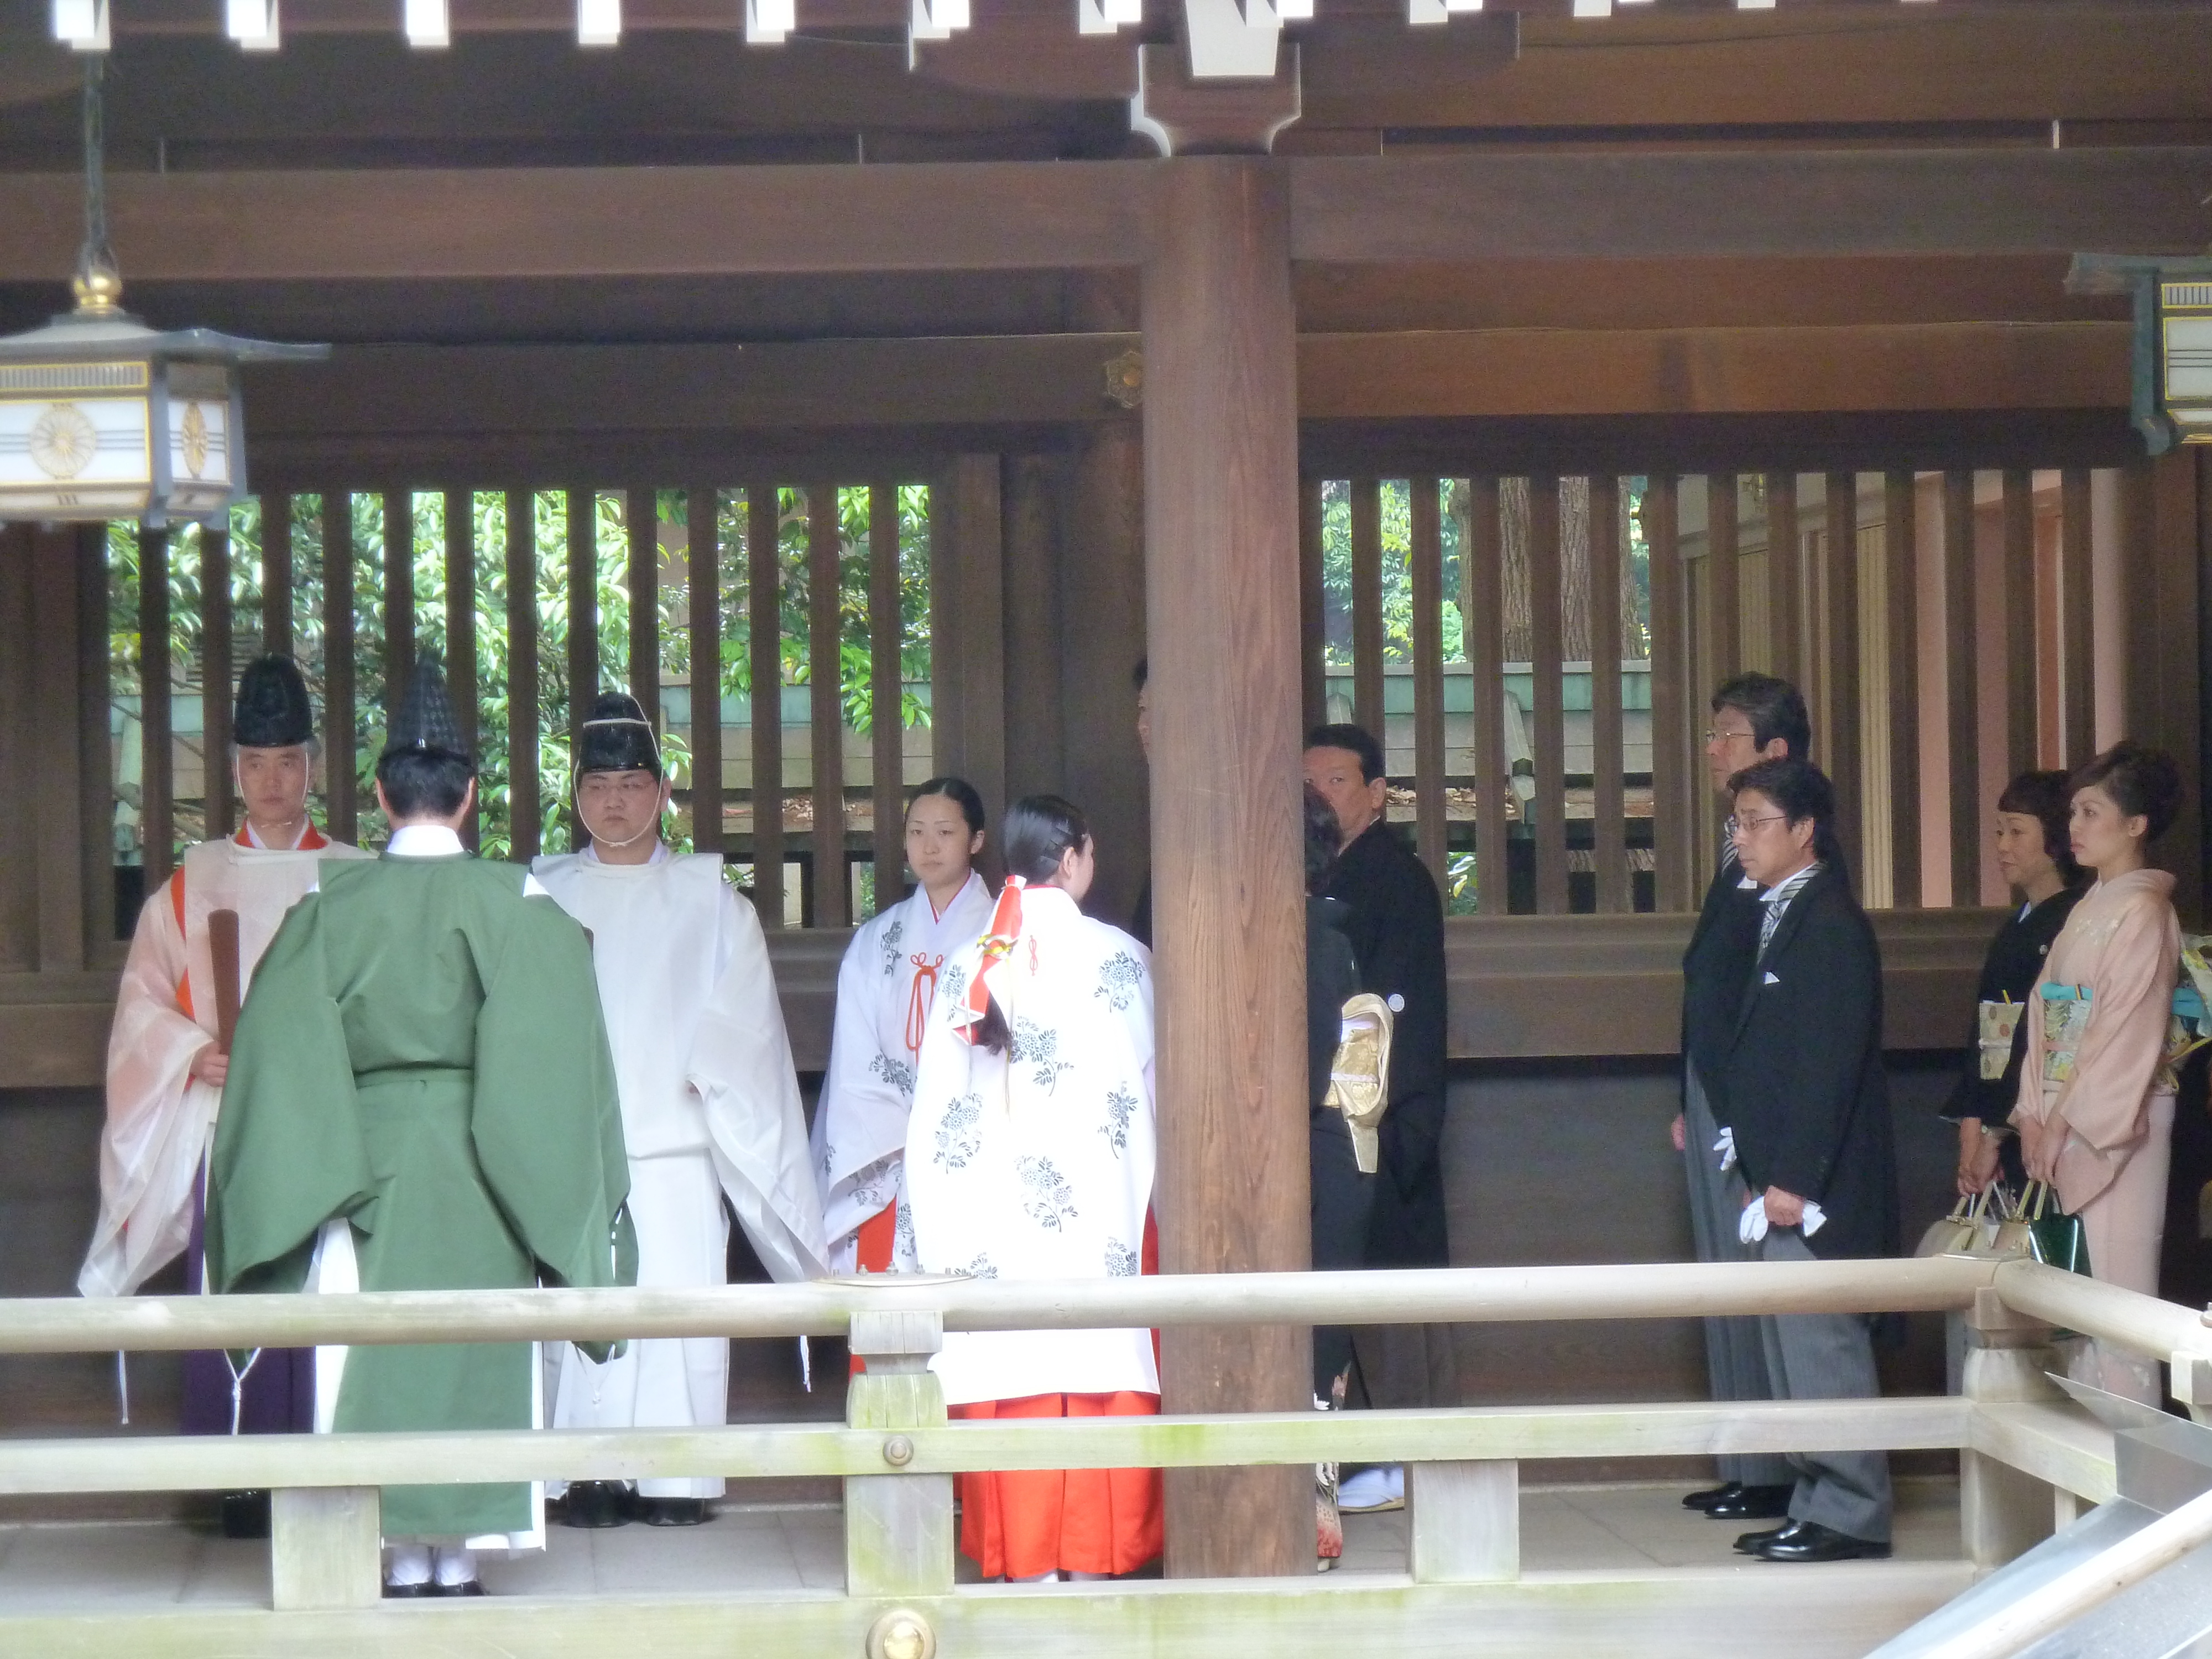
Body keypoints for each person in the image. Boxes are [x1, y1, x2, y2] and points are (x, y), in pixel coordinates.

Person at [206, 660, 636, 1598]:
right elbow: (556, 1059)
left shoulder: (330, 907)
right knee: (476, 1345)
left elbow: (281, 1058)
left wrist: (321, 1163)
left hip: (364, 1165)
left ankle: (395, 1551)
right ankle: (457, 1552)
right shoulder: (518, 906)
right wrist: (542, 1176)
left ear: (377, 793)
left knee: (372, 1349)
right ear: (473, 796)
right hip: (489, 1170)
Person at [80, 654, 369, 1537]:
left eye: (289, 761)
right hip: (223, 1117)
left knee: (318, 1287)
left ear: (315, 766)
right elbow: (141, 1001)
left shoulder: (355, 875)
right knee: (233, 1282)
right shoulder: (191, 879)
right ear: (235, 769)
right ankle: (232, 1479)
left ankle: (321, 1465)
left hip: (322, 1121)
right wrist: (192, 1049)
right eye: (255, 762)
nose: (272, 780)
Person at [534, 692, 828, 1528]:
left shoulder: (714, 902)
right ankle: (580, 1476)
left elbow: (745, 1039)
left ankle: (677, 1478)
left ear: (664, 793)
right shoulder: (537, 896)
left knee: (676, 1311)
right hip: (573, 1159)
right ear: (577, 795)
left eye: (632, 783)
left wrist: (707, 1074)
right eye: (597, 785)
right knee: (578, 1315)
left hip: (675, 1148)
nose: (615, 801)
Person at [903, 795, 1161, 1582]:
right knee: (1099, 1357)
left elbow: (936, 1118)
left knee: (1007, 1368)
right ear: (1077, 855)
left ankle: (1028, 1564)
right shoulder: (1120, 957)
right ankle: (1098, 1560)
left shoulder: (971, 962)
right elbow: (1153, 1094)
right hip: (1098, 1215)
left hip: (997, 1223)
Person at [1716, 757, 1898, 1564]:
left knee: (1822, 1342)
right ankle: (1814, 1500)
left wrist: (1792, 1176)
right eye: (1737, 823)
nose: (1742, 838)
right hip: (1775, 1173)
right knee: (1792, 1347)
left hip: (1812, 1184)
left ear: (1804, 831)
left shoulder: (1829, 919)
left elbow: (1829, 1062)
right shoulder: (1779, 911)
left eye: (1757, 822)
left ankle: (1852, 1510)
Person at [2013, 742, 2185, 1405]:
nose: (2075, 828)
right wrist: (2032, 1112)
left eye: (2090, 812)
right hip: (2064, 1113)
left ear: (2136, 825)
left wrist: (2057, 1119)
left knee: (2116, 1293)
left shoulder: (2144, 910)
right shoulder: (2089, 906)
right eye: (2074, 813)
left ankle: (2132, 1474)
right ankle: (2090, 1467)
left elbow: (2124, 1035)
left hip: (2110, 1119)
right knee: (2081, 1301)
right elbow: (2041, 1019)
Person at [1303, 722, 1447, 1516]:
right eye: (1309, 781)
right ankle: (1359, 1455)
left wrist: (1392, 1115)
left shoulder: (1395, 877)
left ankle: (1394, 1456)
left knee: (1383, 1282)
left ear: (1376, 791)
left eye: (1335, 780)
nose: (1319, 794)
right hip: (1334, 1115)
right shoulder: (1323, 879)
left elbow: (1390, 1012)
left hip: (1379, 1105)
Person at [1673, 673, 1806, 1524]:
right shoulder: (1739, 852)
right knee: (1725, 1275)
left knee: (1763, 1273)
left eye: (1730, 735)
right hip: (1714, 1079)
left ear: (1776, 752)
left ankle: (1784, 1469)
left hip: (1756, 1090)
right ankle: (1751, 1459)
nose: (1715, 749)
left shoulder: (1798, 865)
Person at [815, 776, 996, 1276]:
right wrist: (909, 1126)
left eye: (945, 832)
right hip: (891, 1151)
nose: (929, 846)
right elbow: (856, 1060)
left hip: (980, 1147)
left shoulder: (1000, 937)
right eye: (917, 833)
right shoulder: (876, 941)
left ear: (976, 841)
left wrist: (945, 1123)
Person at [1946, 771, 2087, 1199]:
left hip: (2038, 1124)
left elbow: (2044, 1040)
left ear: (2058, 838)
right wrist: (1972, 1123)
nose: (2003, 846)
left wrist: (1993, 1132)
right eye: (1999, 832)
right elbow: (1987, 1033)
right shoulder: (2021, 922)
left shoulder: (2072, 921)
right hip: (1998, 1114)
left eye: (2017, 831)